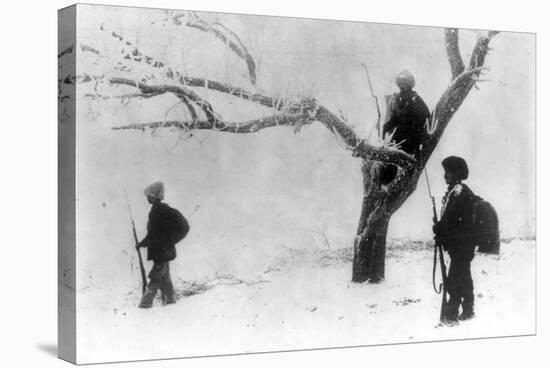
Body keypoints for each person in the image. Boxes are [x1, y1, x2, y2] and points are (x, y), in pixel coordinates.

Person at [433, 156, 476, 325]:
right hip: (462, 245)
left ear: (456, 173)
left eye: (448, 172)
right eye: (445, 171)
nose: (445, 175)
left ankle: (450, 316)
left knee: (455, 279)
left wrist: (439, 228)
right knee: (463, 276)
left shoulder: (458, 191)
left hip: (461, 245)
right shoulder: (456, 190)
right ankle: (468, 310)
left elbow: (450, 219)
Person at [137, 181, 183, 308]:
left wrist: (171, 241)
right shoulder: (154, 211)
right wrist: (143, 243)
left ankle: (145, 303)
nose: (147, 198)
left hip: (163, 251)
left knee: (155, 277)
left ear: (155, 196)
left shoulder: (163, 210)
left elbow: (184, 226)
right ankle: (169, 300)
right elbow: (153, 234)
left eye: (149, 196)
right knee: (165, 277)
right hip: (160, 252)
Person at [380, 70, 431, 185]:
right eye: (401, 84)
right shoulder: (398, 99)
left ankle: (391, 180)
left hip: (411, 137)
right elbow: (395, 118)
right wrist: (386, 127)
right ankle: (385, 181)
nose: (403, 87)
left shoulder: (415, 99)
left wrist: (415, 128)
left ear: (410, 85)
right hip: (399, 135)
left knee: (400, 158)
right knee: (390, 156)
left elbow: (425, 115)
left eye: (405, 84)